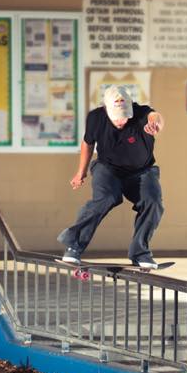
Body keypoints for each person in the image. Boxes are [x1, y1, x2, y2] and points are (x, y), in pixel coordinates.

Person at [58, 85, 165, 268]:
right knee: (106, 198)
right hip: (108, 169)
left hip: (142, 171)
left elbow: (155, 116)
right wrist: (80, 172)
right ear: (106, 109)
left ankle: (140, 253)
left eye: (125, 116)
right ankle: (74, 246)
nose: (122, 122)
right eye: (117, 118)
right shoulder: (96, 117)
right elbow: (88, 144)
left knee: (153, 202)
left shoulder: (141, 113)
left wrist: (156, 124)